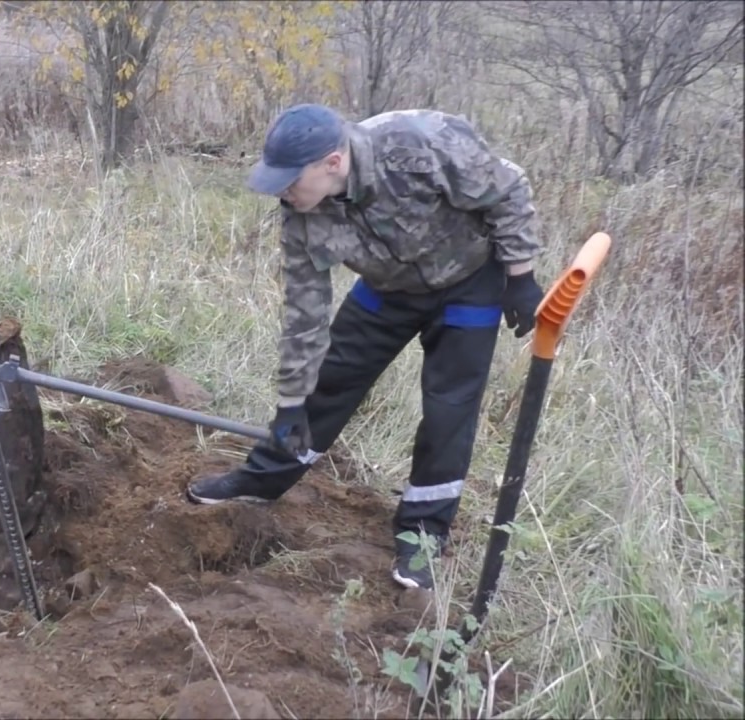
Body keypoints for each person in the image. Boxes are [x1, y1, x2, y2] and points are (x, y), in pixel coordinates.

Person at [185, 104, 545, 592]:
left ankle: (422, 535)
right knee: (328, 381)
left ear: (332, 163)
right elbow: (305, 312)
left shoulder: (419, 145)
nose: (283, 192)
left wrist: (520, 275)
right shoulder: (303, 213)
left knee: (448, 411)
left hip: (467, 282)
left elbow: (509, 189)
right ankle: (262, 480)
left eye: (291, 180)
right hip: (388, 288)